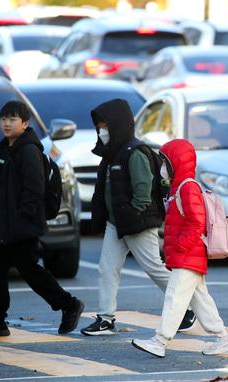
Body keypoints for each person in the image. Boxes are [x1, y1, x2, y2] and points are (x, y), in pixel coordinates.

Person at [80, 99, 195, 336]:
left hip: (137, 222)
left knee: (154, 267)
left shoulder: (135, 152)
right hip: (117, 223)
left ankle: (189, 307)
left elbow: (143, 192)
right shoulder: (111, 154)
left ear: (117, 125)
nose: (101, 132)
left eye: (105, 126)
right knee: (107, 268)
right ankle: (105, 318)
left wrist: (131, 216)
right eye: (99, 127)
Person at [0, 101, 84, 338]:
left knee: (31, 271)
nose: (6, 123)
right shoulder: (3, 148)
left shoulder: (29, 151)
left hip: (20, 227)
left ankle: (69, 305)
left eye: (12, 119)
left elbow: (33, 191)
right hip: (1, 226)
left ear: (24, 123)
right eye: (3, 119)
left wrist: (21, 220)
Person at [131, 139, 228, 358]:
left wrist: (180, 247)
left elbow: (197, 221)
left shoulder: (187, 187)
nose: (161, 167)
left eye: (164, 162)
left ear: (174, 163)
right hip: (188, 254)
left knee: (175, 297)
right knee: (201, 301)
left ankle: (159, 341)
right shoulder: (179, 187)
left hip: (188, 254)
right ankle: (223, 338)